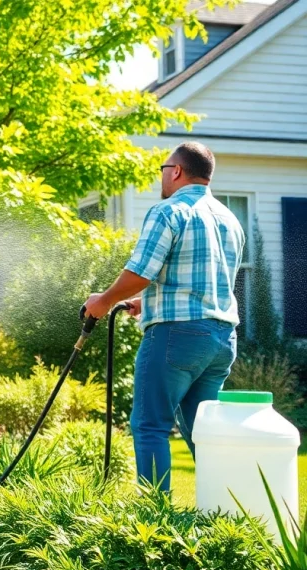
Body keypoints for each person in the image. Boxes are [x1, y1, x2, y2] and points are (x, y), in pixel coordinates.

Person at [83, 141, 245, 492]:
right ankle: (227, 511)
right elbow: (201, 281)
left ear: (176, 171)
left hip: (177, 338)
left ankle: (155, 523)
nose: (162, 177)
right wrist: (148, 301)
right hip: (220, 340)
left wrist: (105, 300)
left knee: (150, 424)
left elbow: (140, 272)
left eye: (163, 169)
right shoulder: (229, 219)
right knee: (204, 432)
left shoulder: (169, 211)